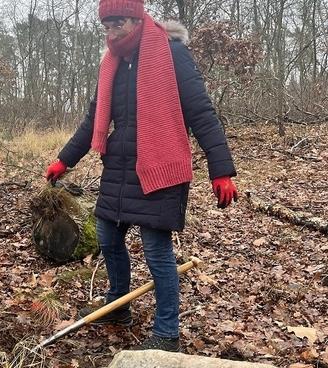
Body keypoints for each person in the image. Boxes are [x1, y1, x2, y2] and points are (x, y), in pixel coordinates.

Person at [45, 0, 237, 351]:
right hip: (119, 167)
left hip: (161, 167)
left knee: (156, 250)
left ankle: (167, 332)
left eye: (116, 24)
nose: (110, 32)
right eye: (105, 26)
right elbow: (93, 120)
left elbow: (201, 111)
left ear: (135, 19)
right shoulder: (112, 63)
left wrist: (220, 168)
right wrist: (64, 160)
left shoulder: (171, 52)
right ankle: (118, 305)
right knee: (107, 237)